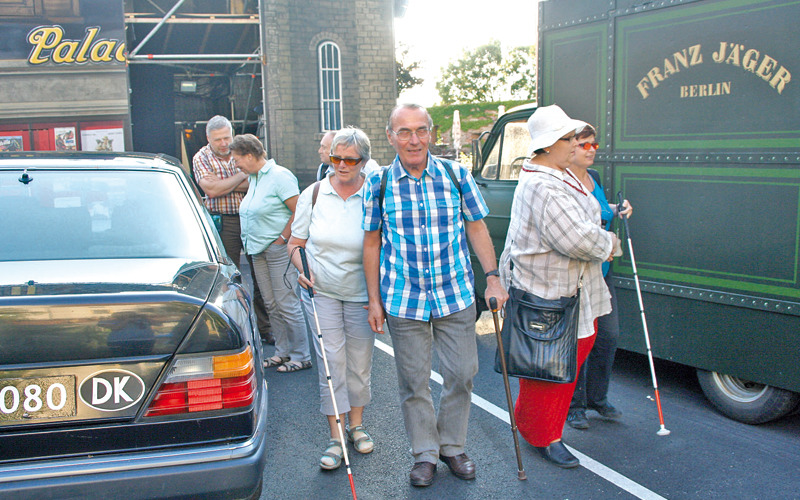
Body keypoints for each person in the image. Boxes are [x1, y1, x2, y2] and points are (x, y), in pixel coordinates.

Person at [363, 103, 508, 487]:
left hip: (454, 293)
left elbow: (477, 229)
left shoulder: (456, 175)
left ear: (431, 132)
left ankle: (452, 445)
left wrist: (492, 279)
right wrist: (374, 299)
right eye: (404, 132)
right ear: (390, 136)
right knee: (413, 382)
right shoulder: (377, 184)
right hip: (403, 298)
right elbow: (372, 244)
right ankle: (425, 453)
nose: (414, 139)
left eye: (421, 130)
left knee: (461, 373)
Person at [497, 104, 618, 469]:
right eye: (568, 138)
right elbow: (577, 240)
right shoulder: (545, 185)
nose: (576, 144)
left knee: (561, 360)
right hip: (549, 292)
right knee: (550, 368)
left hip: (569, 290)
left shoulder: (556, 175)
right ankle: (543, 434)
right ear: (549, 145)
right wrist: (611, 243)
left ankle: (537, 424)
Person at [288, 126, 376, 471]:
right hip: (321, 291)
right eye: (336, 157)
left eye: (349, 160)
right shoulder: (313, 193)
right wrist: (302, 268)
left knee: (359, 364)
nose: (341, 165)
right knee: (331, 365)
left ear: (363, 162)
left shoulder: (374, 193)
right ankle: (336, 436)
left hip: (361, 294)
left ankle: (356, 426)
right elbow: (295, 244)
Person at [566, 123, 632, 429]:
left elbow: (601, 210)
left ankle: (597, 398)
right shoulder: (563, 182)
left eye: (594, 144)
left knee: (608, 335)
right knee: (580, 339)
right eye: (585, 145)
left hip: (602, 272)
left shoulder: (593, 178)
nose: (592, 150)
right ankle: (574, 405)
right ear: (570, 147)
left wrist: (619, 209)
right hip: (579, 274)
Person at [231, 134, 312, 373]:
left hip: (277, 249)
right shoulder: (254, 178)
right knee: (270, 304)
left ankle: (302, 355)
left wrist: (284, 238)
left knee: (286, 302)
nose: (235, 165)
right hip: (258, 250)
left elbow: (299, 210)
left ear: (249, 155)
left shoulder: (279, 176)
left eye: (237, 159)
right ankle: (282, 352)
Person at [192, 116, 274, 344]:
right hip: (224, 222)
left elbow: (259, 179)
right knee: (228, 277)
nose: (223, 143)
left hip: (253, 219)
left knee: (260, 274)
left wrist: (223, 182)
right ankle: (231, 330)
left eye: (227, 137)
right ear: (208, 139)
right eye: (217, 139)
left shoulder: (245, 148)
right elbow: (211, 189)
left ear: (233, 133)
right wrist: (240, 175)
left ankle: (266, 328)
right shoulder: (201, 157)